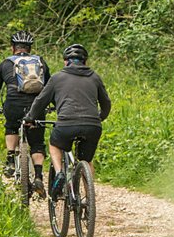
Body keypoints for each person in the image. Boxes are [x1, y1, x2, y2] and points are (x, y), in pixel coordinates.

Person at [23, 44, 110, 198]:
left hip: (66, 124)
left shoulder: (57, 78)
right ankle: (89, 195)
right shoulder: (95, 77)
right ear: (85, 61)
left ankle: (59, 173)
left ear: (65, 61)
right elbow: (106, 104)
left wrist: (31, 117)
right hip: (92, 126)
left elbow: (41, 101)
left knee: (55, 144)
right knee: (86, 159)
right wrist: (99, 117)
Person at [0, 31, 49, 186]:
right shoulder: (41, 63)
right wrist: (54, 105)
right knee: (37, 142)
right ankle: (38, 176)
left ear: (13, 47)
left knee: (11, 126)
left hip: (14, 104)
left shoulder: (6, 64)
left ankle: (10, 158)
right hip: (36, 105)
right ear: (30, 48)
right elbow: (50, 87)